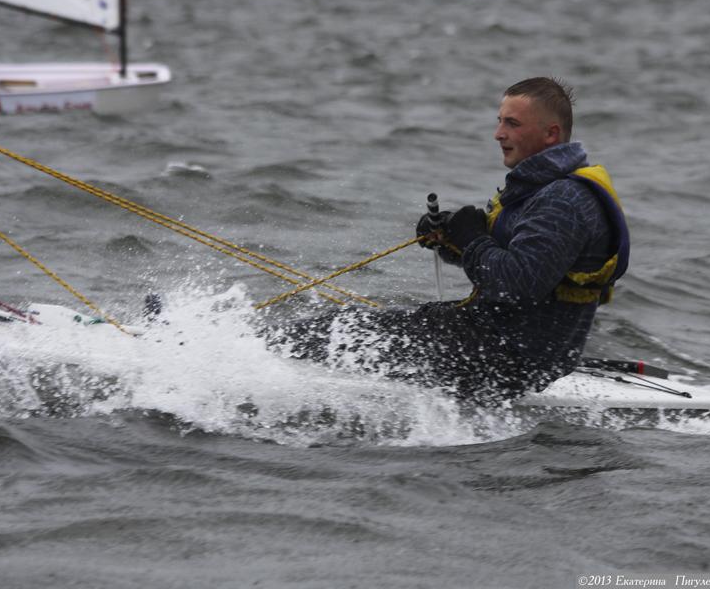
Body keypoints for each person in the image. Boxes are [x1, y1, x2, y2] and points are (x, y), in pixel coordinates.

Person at [268, 77, 628, 406]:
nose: (498, 134)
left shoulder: (563, 201)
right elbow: (502, 264)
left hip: (506, 358)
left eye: (512, 124)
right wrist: (450, 241)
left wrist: (472, 240)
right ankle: (254, 351)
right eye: (500, 121)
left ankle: (250, 361)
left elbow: (518, 284)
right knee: (338, 327)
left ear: (551, 134)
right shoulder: (544, 190)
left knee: (336, 333)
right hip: (493, 342)